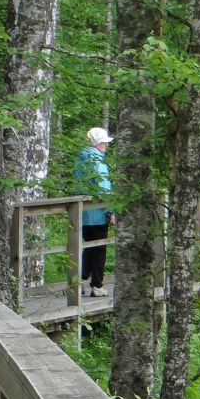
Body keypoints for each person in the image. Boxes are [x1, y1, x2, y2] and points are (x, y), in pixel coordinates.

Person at [73, 126, 114, 296]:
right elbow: (103, 189)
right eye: (104, 143)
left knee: (88, 247)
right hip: (97, 213)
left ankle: (81, 281)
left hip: (83, 212)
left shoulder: (81, 159)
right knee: (99, 249)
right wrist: (110, 211)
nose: (106, 146)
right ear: (99, 143)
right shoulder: (98, 161)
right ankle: (96, 285)